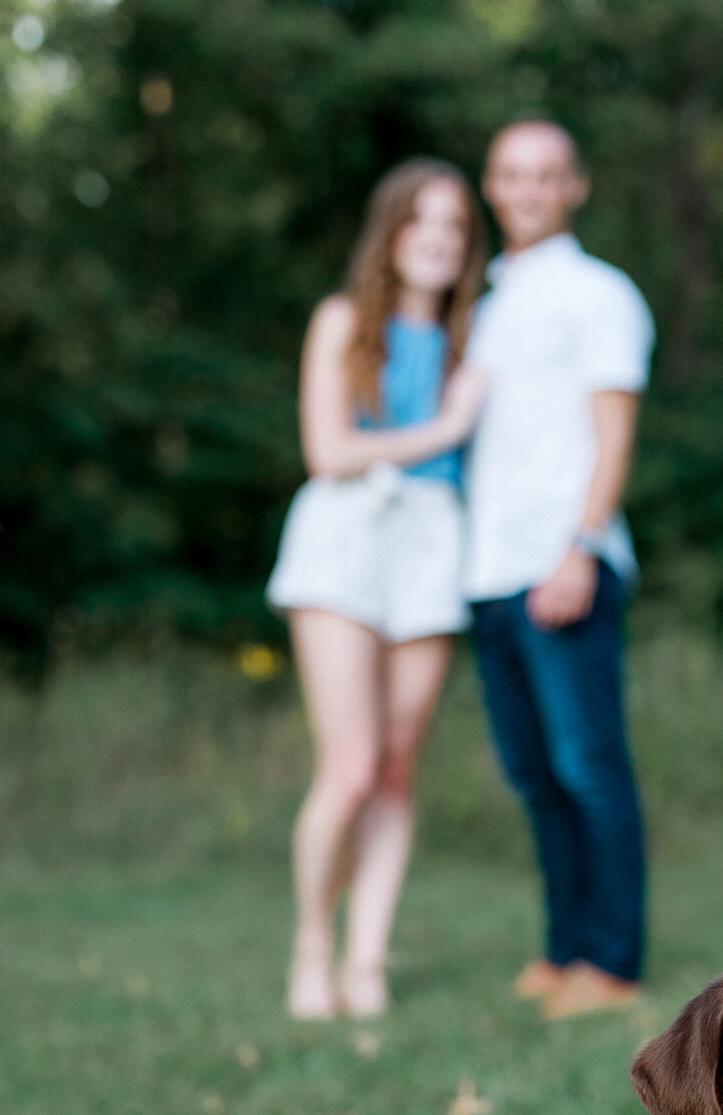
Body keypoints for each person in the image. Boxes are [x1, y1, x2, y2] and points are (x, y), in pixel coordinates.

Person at [268, 159, 487, 1019]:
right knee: (352, 767)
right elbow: (329, 452)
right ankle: (310, 946)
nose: (436, 238)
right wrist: (448, 425)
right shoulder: (341, 321)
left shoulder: (473, 341)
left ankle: (366, 962)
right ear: (390, 232)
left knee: (396, 770)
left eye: (454, 224)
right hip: (346, 537)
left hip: (433, 542)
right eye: (419, 221)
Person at [465, 121, 655, 1020]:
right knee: (536, 774)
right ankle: (563, 949)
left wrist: (580, 546)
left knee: (589, 766)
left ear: (575, 187)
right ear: (492, 186)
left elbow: (614, 433)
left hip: (564, 559)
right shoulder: (486, 306)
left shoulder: (600, 294)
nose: (529, 189)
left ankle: (612, 964)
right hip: (489, 572)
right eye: (513, 174)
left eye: (546, 175)